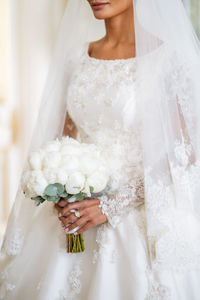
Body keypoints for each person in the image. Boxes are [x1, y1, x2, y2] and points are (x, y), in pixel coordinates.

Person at [1, 0, 200, 299]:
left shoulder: (168, 58)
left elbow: (184, 154)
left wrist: (112, 206)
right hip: (75, 214)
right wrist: (61, 188)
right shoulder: (76, 57)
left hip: (140, 221)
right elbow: (63, 139)